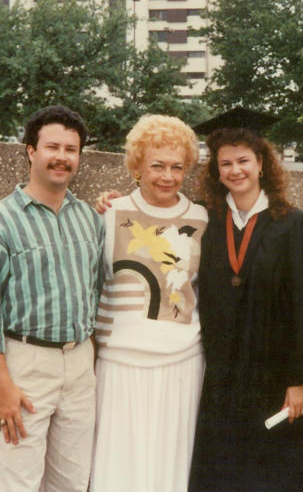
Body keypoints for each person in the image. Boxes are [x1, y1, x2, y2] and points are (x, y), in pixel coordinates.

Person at [188, 124, 303, 492]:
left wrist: (301, 380)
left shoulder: (292, 225)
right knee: (220, 473)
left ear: (261, 164)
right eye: (225, 163)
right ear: (215, 170)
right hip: (220, 377)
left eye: (243, 160)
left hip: (275, 379)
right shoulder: (205, 220)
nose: (235, 170)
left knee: (275, 475)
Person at [0, 105, 105, 492]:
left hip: (78, 366)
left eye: (71, 150)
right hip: (22, 365)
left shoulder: (89, 219)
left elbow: (95, 290)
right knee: (12, 482)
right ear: (30, 151)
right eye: (52, 146)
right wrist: (1, 386)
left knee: (71, 483)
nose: (62, 157)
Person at [89, 114, 209, 492]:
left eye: (177, 167)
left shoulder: (202, 218)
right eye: (157, 165)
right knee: (117, 469)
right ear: (137, 165)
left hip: (182, 362)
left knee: (170, 470)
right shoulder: (108, 214)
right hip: (119, 361)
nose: (168, 176)